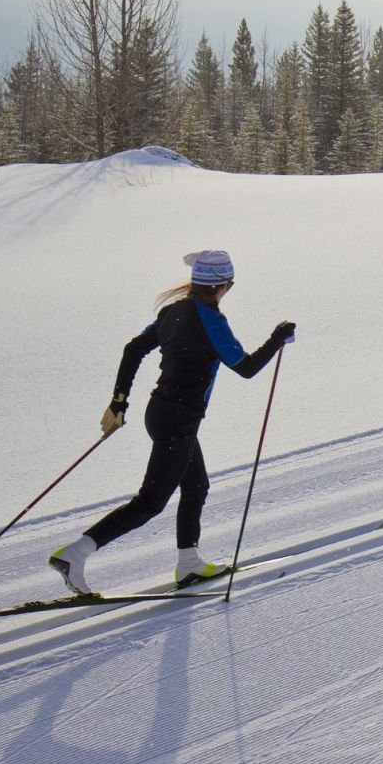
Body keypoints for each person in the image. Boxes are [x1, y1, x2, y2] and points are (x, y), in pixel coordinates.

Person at [49, 250, 294, 595]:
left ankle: (189, 564)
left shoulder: (172, 311)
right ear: (223, 285)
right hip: (178, 420)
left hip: (162, 413)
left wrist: (119, 401)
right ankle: (75, 554)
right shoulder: (210, 319)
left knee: (196, 485)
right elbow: (247, 367)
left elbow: (134, 348)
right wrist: (277, 339)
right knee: (149, 502)